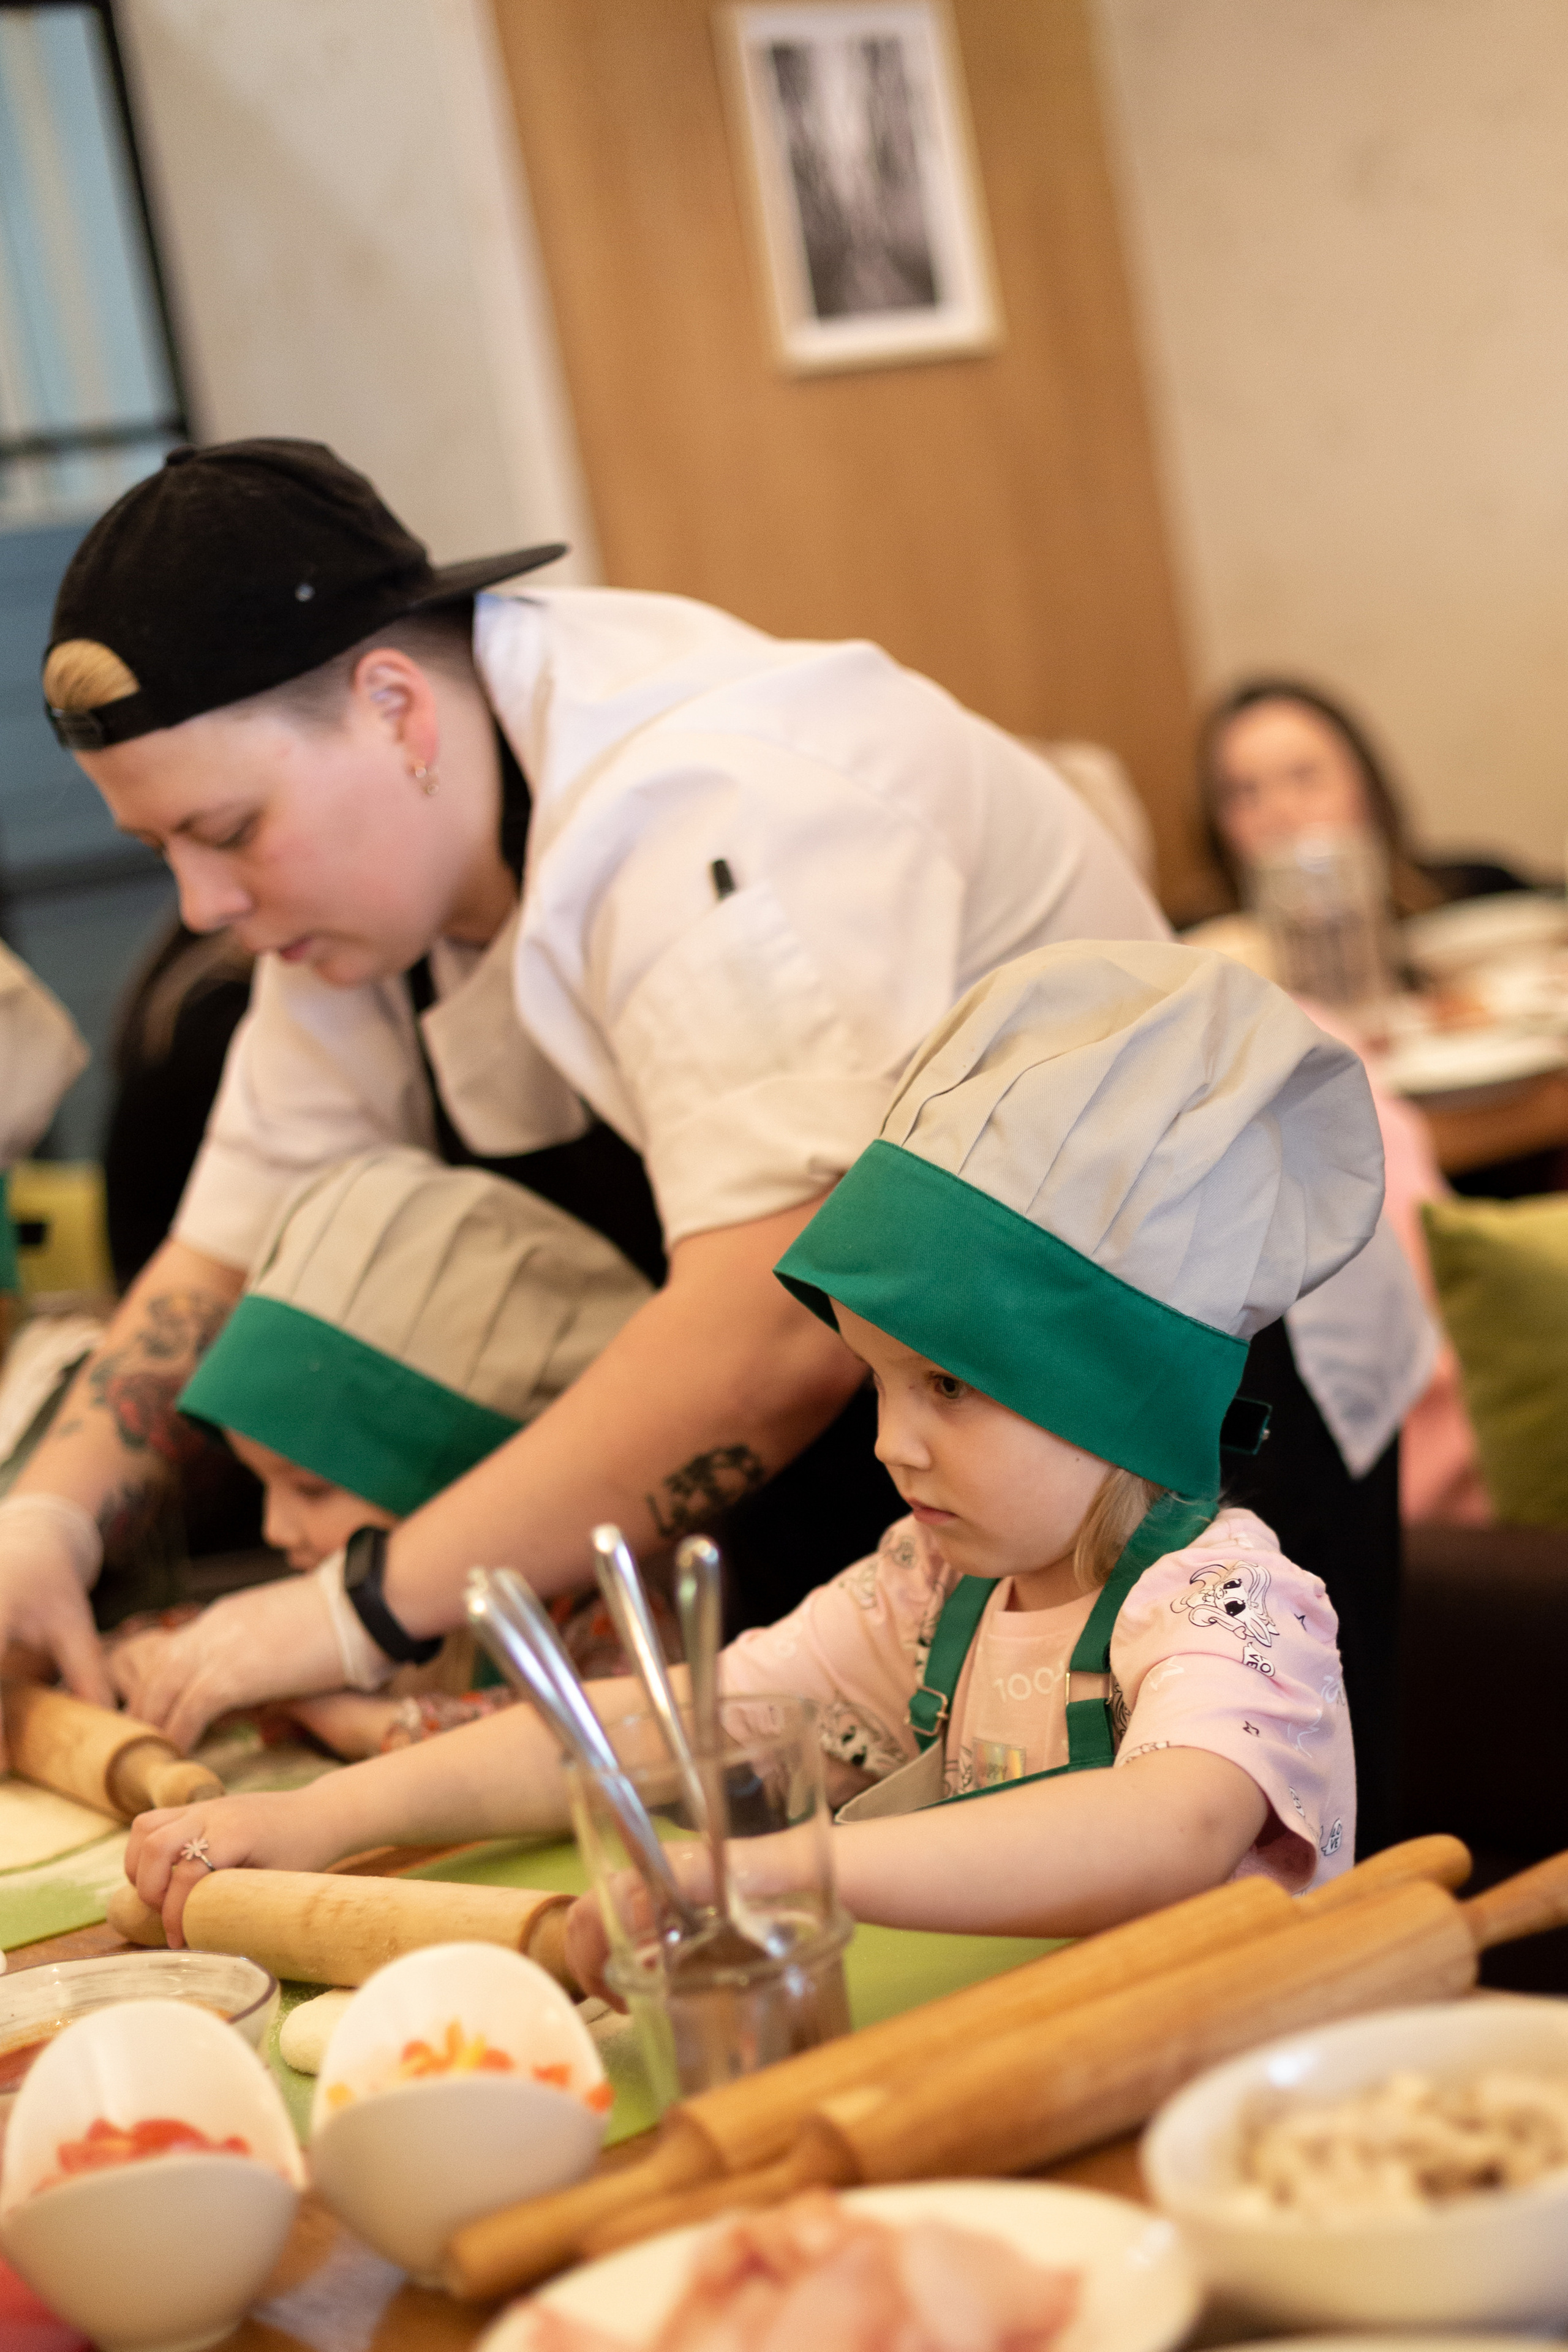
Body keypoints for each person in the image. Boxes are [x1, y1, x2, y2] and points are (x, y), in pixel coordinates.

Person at [0, 437, 1169, 1762]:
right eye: (161, 851)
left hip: (1147, 1472)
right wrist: (46, 1519)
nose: (203, 908)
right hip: (882, 1533)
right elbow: (220, 1247)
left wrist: (356, 1609)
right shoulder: (371, 886)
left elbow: (772, 1331)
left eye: (225, 833)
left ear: (396, 709)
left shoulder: (703, 802)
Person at [125, 942, 1367, 1947]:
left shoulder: (1221, 1604)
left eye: (947, 1385)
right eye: (876, 1382)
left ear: (1118, 1396)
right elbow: (665, 1723)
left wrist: (778, 1869)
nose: (892, 1444)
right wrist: (320, 1822)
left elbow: (1166, 1826)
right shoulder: (933, 1593)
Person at [120, 1144, 652, 1751]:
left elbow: (608, 1735)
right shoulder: (319, 1576)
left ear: (467, 1484)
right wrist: (148, 1659)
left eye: (311, 1488)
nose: (274, 1528)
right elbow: (192, 1636)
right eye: (261, 1484)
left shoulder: (590, 1615)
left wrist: (353, 1721)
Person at [1193, 677, 1531, 948]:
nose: (1280, 812)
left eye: (1305, 777)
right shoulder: (1199, 957)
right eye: (1244, 792)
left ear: (1366, 788)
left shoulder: (1474, 892)